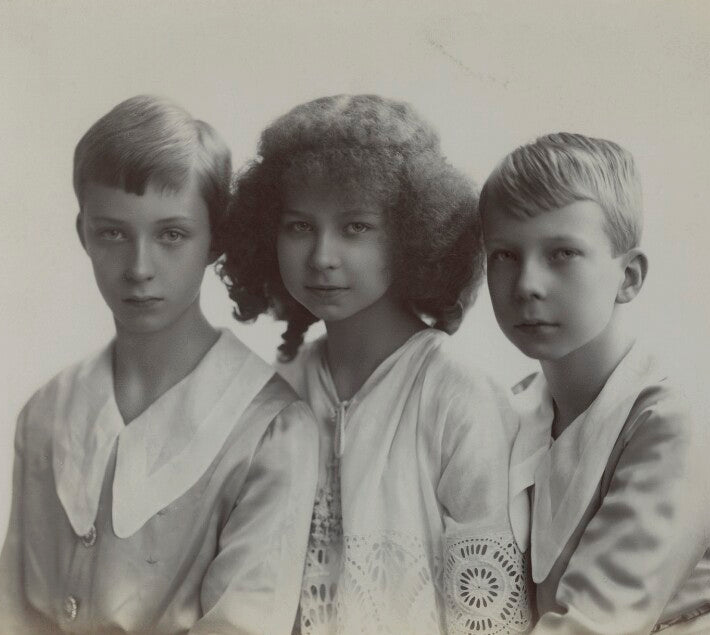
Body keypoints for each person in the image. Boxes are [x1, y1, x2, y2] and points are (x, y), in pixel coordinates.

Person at [0, 94, 318, 634]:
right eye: (112, 233)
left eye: (172, 235)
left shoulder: (272, 432)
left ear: (215, 238)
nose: (139, 268)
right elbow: (13, 616)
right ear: (83, 236)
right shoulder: (46, 414)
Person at [219, 94, 531, 634]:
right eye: (298, 226)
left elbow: (492, 617)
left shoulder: (460, 400)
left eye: (356, 227)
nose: (322, 255)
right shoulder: (275, 395)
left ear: (413, 236)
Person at [480, 132, 710, 634]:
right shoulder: (515, 413)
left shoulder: (674, 416)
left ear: (630, 276)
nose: (527, 284)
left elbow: (594, 623)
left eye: (562, 254)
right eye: (504, 255)